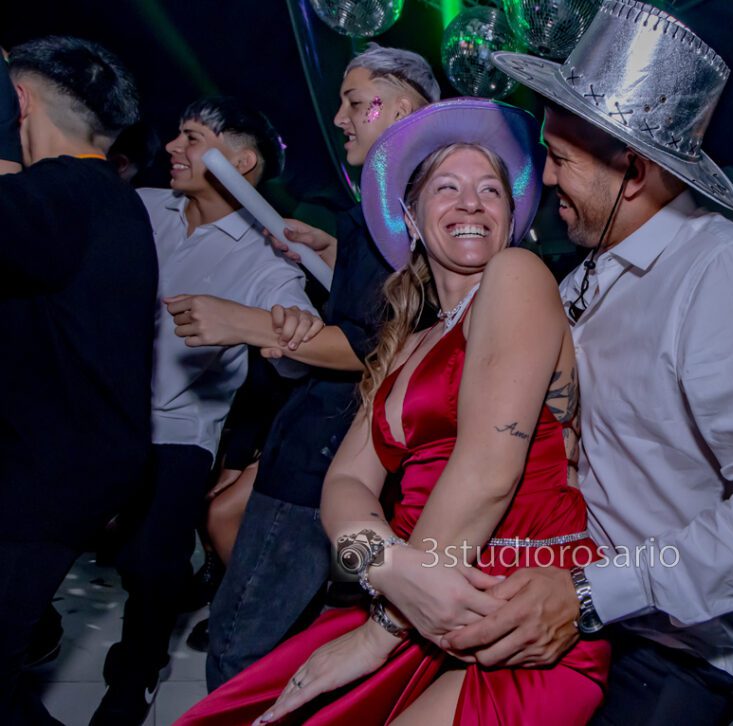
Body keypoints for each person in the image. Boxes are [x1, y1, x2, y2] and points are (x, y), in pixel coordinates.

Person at [436, 3, 733, 724]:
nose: (546, 176)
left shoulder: (725, 274)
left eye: (560, 158)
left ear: (631, 170)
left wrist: (597, 591)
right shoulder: (583, 277)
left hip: (670, 657)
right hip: (568, 616)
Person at [179, 97, 611, 725]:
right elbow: (346, 483)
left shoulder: (517, 275)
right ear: (410, 217)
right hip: (418, 594)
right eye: (447, 187)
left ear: (511, 218)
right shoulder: (407, 343)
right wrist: (383, 563)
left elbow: (488, 470)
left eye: (490, 189)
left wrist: (380, 630)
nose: (471, 202)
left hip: (515, 608)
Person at [170, 44, 442, 690]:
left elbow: (374, 346)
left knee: (239, 646)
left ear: (400, 109)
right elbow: (389, 306)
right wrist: (333, 253)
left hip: (326, 452)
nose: (341, 118)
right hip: (328, 443)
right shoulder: (388, 206)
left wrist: (243, 323)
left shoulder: (404, 208)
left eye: (355, 102)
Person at [92, 96, 315, 726]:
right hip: (101, 414)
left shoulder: (266, 257)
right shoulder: (139, 208)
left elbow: (298, 347)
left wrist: (286, 331)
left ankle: (137, 670)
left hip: (180, 429)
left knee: (150, 559)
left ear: (241, 163)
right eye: (179, 134)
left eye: (192, 137)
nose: (172, 147)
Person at [0, 37, 157, 724]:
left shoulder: (61, 194)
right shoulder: (107, 198)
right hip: (70, 466)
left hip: (41, 476)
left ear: (19, 102)